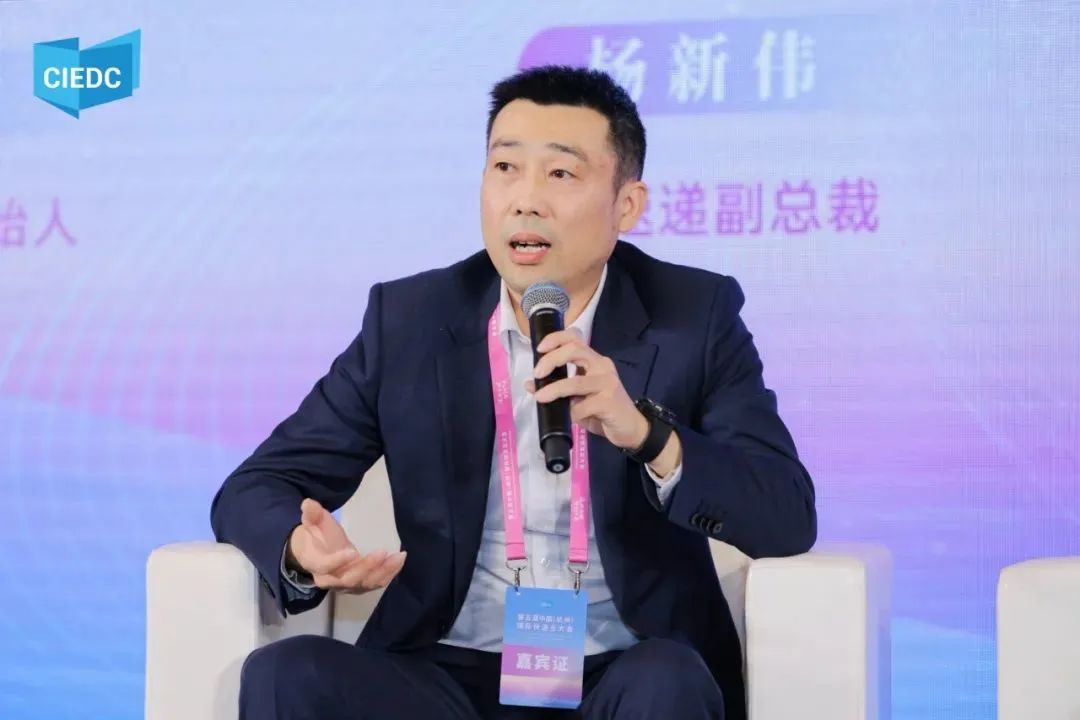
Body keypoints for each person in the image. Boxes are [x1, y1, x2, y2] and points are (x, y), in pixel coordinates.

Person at [210, 65, 816, 720]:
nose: (525, 200)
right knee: (286, 674)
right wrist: (299, 552)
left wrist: (648, 436)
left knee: (665, 681)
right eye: (505, 168)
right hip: (445, 671)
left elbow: (786, 514)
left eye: (560, 173)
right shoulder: (411, 320)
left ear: (627, 205)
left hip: (623, 671)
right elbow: (257, 486)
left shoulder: (694, 316)